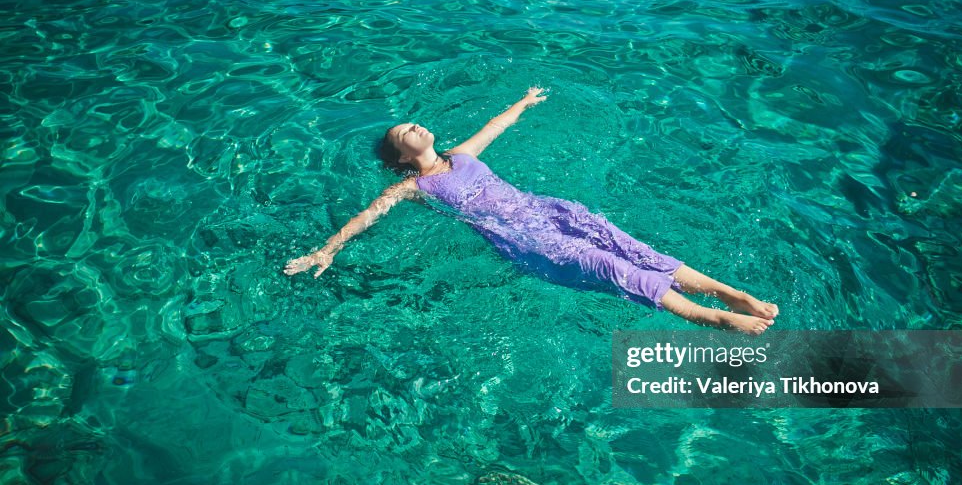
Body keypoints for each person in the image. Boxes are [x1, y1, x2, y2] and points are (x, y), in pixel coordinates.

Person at [284, 87, 779, 335]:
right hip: (525, 240)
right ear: (398, 159)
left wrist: (523, 102)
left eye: (412, 122)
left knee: (629, 247)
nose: (411, 125)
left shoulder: (461, 155)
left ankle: (727, 292)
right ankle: (712, 318)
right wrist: (327, 249)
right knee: (609, 266)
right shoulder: (413, 189)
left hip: (550, 210)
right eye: (401, 132)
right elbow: (366, 216)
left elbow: (494, 126)